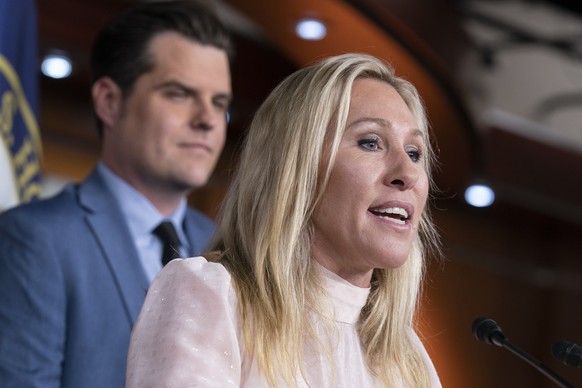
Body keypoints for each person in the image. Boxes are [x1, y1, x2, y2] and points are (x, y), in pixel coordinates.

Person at [126, 53, 442, 387]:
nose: (407, 173)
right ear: (296, 168)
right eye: (370, 142)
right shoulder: (211, 297)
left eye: (414, 153)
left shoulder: (410, 360)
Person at [0, 1, 233, 387]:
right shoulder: (35, 238)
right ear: (109, 101)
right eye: (179, 93)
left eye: (219, 102)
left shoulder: (226, 245)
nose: (207, 119)